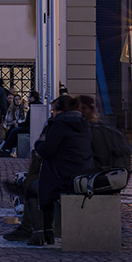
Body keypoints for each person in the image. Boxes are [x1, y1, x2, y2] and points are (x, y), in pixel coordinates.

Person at [27, 94, 93, 245]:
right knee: (45, 186)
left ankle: (41, 234)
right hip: (82, 174)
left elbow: (46, 151)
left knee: (33, 189)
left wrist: (38, 143)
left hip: (63, 176)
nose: (52, 113)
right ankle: (47, 233)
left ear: (60, 111)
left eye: (53, 111)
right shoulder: (84, 123)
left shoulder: (59, 124)